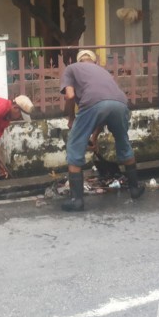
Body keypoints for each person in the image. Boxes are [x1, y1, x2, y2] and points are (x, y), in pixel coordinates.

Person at [59, 49, 145, 211]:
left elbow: (70, 96)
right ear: (94, 62)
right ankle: (134, 188)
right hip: (120, 103)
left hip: (93, 103)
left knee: (74, 146)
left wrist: (71, 118)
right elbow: (104, 109)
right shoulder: (102, 71)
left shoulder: (71, 69)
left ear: (78, 61)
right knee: (123, 142)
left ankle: (76, 200)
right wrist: (94, 137)